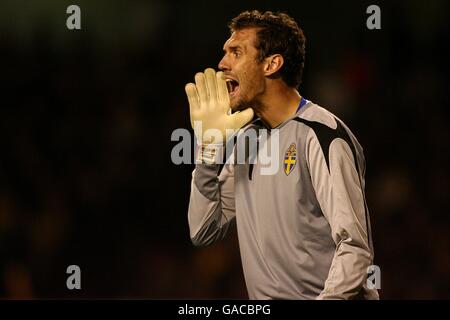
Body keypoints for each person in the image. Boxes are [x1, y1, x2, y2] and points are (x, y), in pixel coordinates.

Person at [184, 10, 379, 300]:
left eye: (236, 52)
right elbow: (203, 230)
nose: (222, 63)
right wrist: (207, 152)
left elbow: (354, 247)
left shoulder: (322, 135)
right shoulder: (248, 138)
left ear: (272, 64)